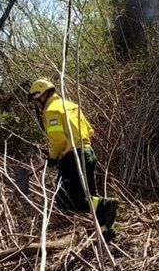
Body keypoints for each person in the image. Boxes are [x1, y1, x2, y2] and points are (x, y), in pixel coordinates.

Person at [27, 78, 120, 237]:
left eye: (36, 101)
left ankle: (106, 204)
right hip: (88, 152)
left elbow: (58, 140)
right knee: (90, 195)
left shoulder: (51, 111)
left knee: (63, 197)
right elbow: (90, 130)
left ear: (41, 95)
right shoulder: (72, 106)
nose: (37, 105)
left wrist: (53, 158)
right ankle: (106, 231)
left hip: (72, 157)